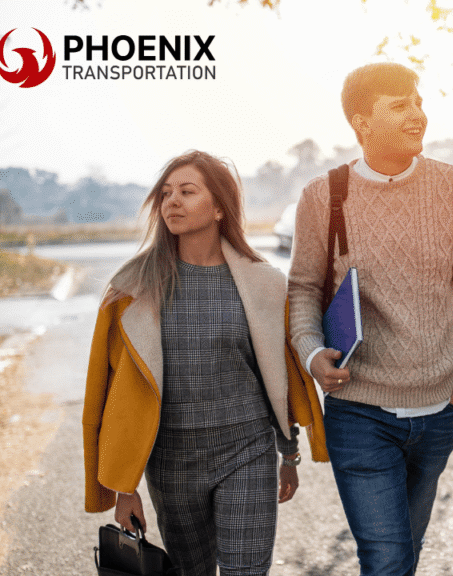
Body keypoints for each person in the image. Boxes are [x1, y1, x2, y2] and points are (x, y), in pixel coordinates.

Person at [287, 62, 453, 576]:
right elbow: (303, 291)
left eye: (418, 102)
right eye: (400, 105)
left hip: (440, 407)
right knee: (385, 558)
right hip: (359, 410)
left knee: (405, 552)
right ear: (361, 122)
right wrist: (313, 355)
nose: (417, 115)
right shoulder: (324, 195)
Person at [83, 150, 328, 576]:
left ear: (218, 208)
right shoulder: (129, 290)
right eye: (166, 193)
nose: (172, 201)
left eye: (187, 191)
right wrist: (124, 488)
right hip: (171, 464)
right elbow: (109, 396)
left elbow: (279, 377)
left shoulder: (265, 284)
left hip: (246, 450)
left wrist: (288, 454)